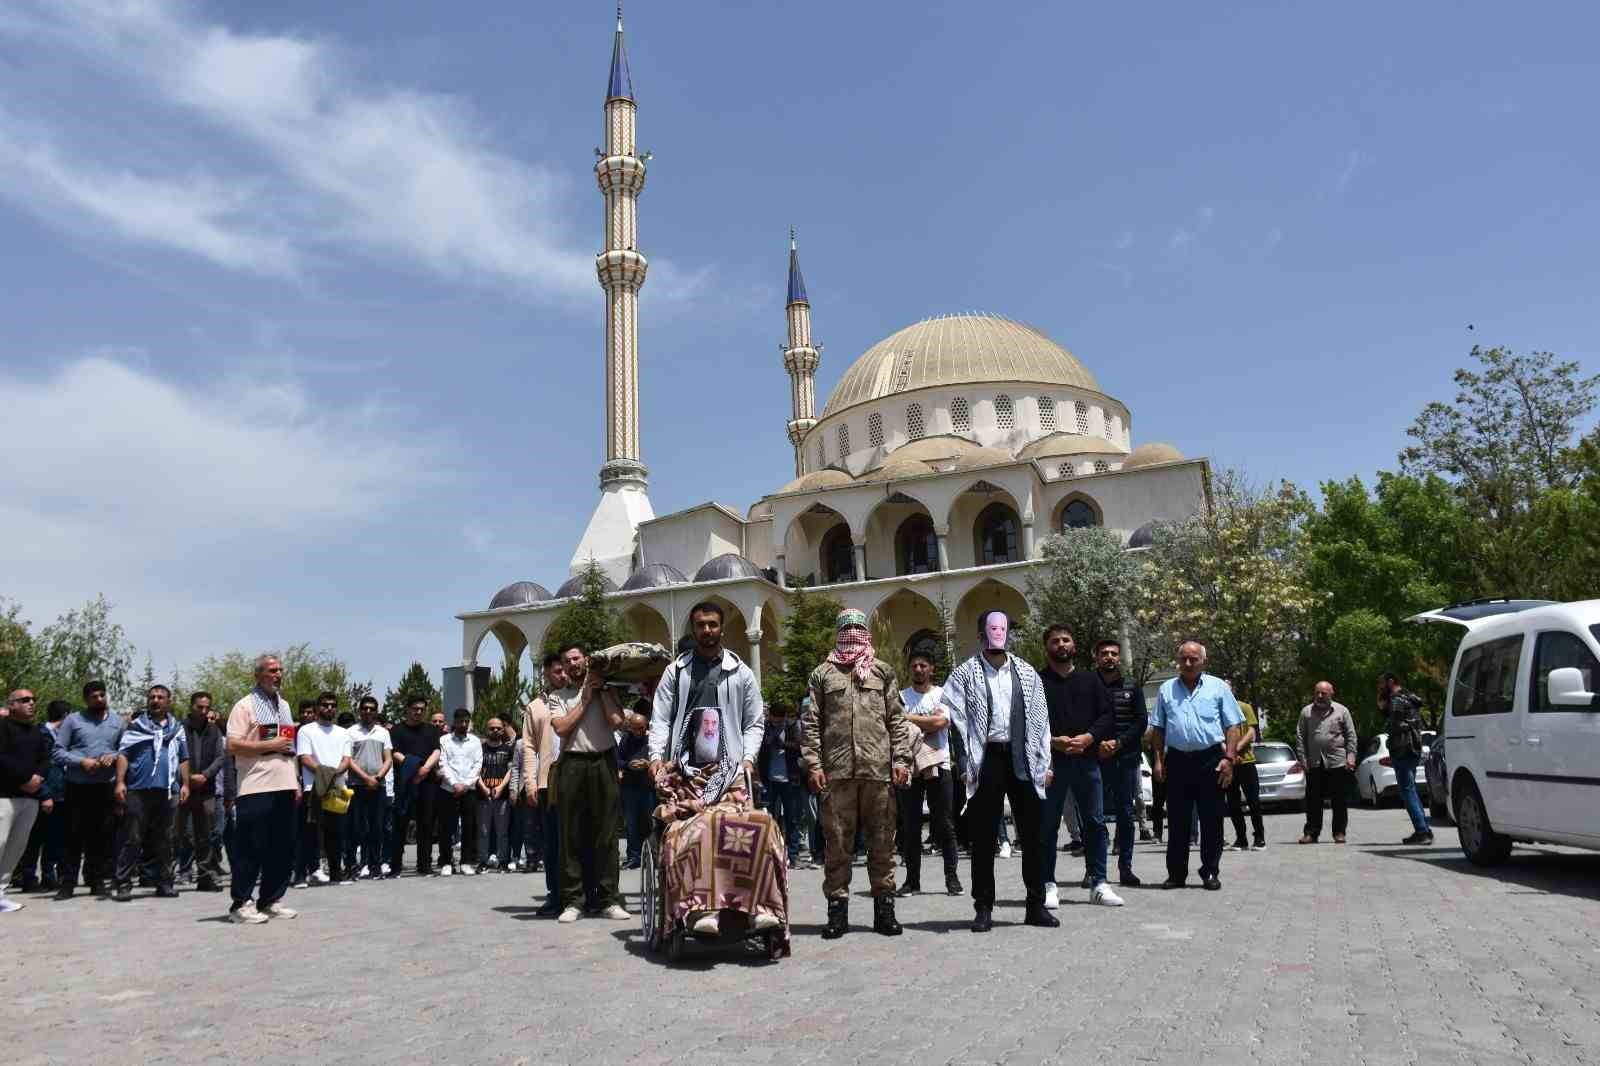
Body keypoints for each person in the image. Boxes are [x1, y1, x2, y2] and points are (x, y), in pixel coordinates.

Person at [800, 608, 912, 938]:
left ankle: (884, 910)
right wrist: (814, 764)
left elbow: (896, 720)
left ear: (865, 632)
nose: (851, 633)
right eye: (845, 627)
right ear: (838, 632)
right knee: (837, 847)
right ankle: (837, 912)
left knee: (882, 846)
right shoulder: (822, 674)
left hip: (878, 772)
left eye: (857, 627)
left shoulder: (882, 672)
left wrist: (901, 760)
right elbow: (810, 724)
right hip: (836, 774)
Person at [939, 611, 1053, 931]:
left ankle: (1036, 905)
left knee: (1032, 835)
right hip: (985, 759)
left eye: (1003, 629)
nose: (997, 635)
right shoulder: (964, 674)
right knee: (984, 836)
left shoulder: (1027, 673)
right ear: (981, 635)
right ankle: (983, 907)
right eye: (992, 629)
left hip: (1023, 758)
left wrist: (1046, 763)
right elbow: (956, 726)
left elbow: (1042, 721)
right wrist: (963, 765)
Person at [1149, 641, 1244, 891]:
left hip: (1210, 759)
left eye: (1194, 659)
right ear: (1177, 661)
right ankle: (1176, 874)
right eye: (1184, 659)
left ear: (1204, 661)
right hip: (1177, 760)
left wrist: (1229, 759)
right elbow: (1157, 728)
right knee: (1178, 820)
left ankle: (1210, 871)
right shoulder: (1166, 689)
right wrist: (1158, 760)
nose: (1188, 664)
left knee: (1212, 819)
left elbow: (1233, 726)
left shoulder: (1218, 688)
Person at [1037, 626, 1120, 909]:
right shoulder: (1036, 682)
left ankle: (1099, 883)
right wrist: (1052, 742)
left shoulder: (1090, 680)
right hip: (1051, 764)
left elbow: (1107, 716)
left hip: (1086, 762)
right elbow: (1026, 722)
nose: (1061, 645)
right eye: (1055, 641)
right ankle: (1047, 885)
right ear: (1046, 647)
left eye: (1066, 640)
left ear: (1074, 645)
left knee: (1095, 823)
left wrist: (1089, 737)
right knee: (1047, 826)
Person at [551, 643, 629, 922]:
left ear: (586, 660)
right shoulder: (558, 696)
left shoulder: (606, 690)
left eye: (577, 658)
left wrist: (602, 691)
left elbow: (617, 721)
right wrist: (584, 699)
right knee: (571, 834)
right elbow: (561, 728)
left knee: (607, 833)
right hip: (573, 763)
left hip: (604, 762)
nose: (572, 664)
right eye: (567, 660)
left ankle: (610, 899)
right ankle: (574, 901)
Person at [225, 653, 300, 923]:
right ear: (257, 675)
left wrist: (296, 781)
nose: (277, 674)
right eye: (271, 670)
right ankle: (241, 904)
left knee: (281, 846)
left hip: (285, 782)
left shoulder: (285, 706)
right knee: (250, 847)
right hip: (256, 785)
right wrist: (268, 745)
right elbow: (232, 745)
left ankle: (271, 899)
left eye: (280, 670)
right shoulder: (244, 706)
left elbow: (288, 746)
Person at [111, 685, 190, 901]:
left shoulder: (177, 728)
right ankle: (123, 883)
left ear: (168, 701)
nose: (155, 700)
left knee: (167, 838)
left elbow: (183, 757)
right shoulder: (135, 726)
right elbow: (123, 754)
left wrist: (185, 785)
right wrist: (119, 782)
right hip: (138, 789)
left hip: (168, 791)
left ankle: (164, 883)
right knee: (132, 838)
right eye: (152, 697)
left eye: (160, 697)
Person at [897, 650, 962, 898]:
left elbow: (940, 723)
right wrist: (924, 720)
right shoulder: (901, 696)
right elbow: (897, 726)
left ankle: (952, 878)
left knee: (944, 824)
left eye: (923, 665)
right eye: (914, 665)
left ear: (931, 669)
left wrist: (910, 718)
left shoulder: (942, 694)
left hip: (940, 765)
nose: (918, 669)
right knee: (911, 826)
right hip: (909, 767)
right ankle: (912, 881)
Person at [52, 681, 125, 899]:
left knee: (102, 836)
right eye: (94, 696)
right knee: (73, 836)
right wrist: (81, 761)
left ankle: (97, 881)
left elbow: (125, 750)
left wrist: (113, 756)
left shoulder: (118, 721)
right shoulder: (73, 720)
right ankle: (67, 883)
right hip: (78, 787)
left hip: (105, 787)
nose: (99, 699)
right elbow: (57, 751)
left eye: (102, 695)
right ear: (86, 699)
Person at [524, 654, 579, 915]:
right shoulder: (535, 707)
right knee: (553, 843)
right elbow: (528, 746)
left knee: (579, 841)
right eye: (557, 671)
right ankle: (555, 895)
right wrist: (530, 783)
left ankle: (583, 895)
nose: (563, 675)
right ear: (546, 674)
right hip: (549, 782)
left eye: (565, 670)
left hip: (579, 777)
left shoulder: (577, 698)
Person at [1094, 638, 1149, 885]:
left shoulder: (1132, 686)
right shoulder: (1088, 684)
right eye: (1104, 653)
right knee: (1093, 815)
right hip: (1094, 758)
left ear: (1119, 657)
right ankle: (1093, 869)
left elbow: (1141, 721)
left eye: (1113, 653)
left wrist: (1118, 743)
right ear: (1096, 657)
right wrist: (1097, 744)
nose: (1109, 657)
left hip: (1125, 759)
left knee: (1126, 814)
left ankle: (1125, 868)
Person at [0, 688, 51, 913]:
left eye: (33, 699)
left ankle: (1, 892)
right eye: (25, 700)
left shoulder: (36, 732)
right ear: (12, 705)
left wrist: (37, 778)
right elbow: (2, 758)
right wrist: (24, 778)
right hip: (4, 796)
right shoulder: (2, 727)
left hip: (30, 798)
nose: (31, 703)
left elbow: (45, 758)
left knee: (16, 846)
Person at [10, 697, 67, 894]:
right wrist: (44, 794)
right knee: (33, 839)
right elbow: (36, 767)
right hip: (40, 793)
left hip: (59, 794)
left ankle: (49, 877)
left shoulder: (60, 736)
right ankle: (27, 877)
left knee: (54, 838)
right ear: (66, 717)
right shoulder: (40, 734)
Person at [297, 693, 354, 885]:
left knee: (336, 834)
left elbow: (347, 759)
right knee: (310, 834)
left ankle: (336, 874)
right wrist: (325, 774)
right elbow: (305, 758)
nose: (329, 708)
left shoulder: (343, 733)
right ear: (317, 707)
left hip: (337, 789)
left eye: (332, 705)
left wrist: (334, 774)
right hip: (313, 788)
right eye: (325, 705)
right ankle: (305, 873)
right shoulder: (306, 731)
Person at [1295, 681, 1357, 845]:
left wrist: (1351, 756)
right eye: (1317, 693)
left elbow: (1351, 735)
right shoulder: (1306, 712)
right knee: (1313, 800)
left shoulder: (1342, 711)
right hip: (1314, 762)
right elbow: (1300, 737)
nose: (1320, 696)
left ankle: (1339, 832)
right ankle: (1311, 833)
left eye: (1323, 693)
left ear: (1331, 693)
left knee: (1339, 800)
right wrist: (1303, 758)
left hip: (1337, 761)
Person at [176, 691, 226, 891]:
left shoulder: (214, 731)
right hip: (182, 788)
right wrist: (186, 780)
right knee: (179, 833)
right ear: (191, 706)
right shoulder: (179, 728)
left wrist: (205, 775)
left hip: (206, 789)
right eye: (199, 707)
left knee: (206, 834)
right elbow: (175, 756)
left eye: (207, 707)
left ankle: (204, 877)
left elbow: (220, 757)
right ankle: (173, 873)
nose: (204, 711)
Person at [389, 698, 442, 878]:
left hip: (427, 782)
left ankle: (424, 865)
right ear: (407, 709)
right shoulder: (397, 730)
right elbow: (394, 753)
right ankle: (395, 865)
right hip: (404, 781)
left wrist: (426, 768)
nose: (418, 712)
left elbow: (437, 751)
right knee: (400, 825)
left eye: (421, 709)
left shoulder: (432, 730)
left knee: (426, 824)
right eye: (415, 708)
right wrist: (415, 767)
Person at [1380, 673, 1433, 845]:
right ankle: (1424, 829)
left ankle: (1422, 831)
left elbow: (1394, 725)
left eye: (1381, 683)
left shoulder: (1396, 700)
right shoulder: (1410, 698)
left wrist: (1382, 710)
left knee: (1407, 790)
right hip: (1414, 747)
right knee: (1411, 789)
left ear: (1390, 682)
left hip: (1402, 748)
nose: (1379, 687)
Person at [347, 696, 393, 879]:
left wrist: (378, 777)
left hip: (378, 785)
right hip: (357, 785)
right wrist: (366, 778)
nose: (368, 712)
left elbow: (388, 758)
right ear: (359, 710)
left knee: (377, 828)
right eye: (364, 708)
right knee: (356, 828)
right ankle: (353, 866)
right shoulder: (350, 732)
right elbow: (348, 760)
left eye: (371, 709)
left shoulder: (383, 733)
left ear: (376, 711)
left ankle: (374, 865)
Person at [758, 702, 806, 868]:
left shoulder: (792, 727)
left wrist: (782, 744)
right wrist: (767, 742)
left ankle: (793, 856)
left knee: (792, 819)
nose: (777, 724)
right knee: (771, 819)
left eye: (780, 721)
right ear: (770, 716)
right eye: (774, 720)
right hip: (770, 780)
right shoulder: (765, 727)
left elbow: (801, 746)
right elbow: (758, 750)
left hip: (789, 780)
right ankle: (772, 855)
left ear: (784, 718)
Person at [436, 708, 482, 876]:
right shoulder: (444, 740)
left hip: (468, 790)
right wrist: (455, 784)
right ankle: (447, 862)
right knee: (446, 828)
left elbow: (477, 765)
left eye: (466, 721)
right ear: (454, 722)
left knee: (469, 827)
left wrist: (464, 784)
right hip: (448, 789)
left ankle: (466, 862)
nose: (463, 724)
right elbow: (443, 764)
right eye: (460, 721)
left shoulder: (475, 741)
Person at [1223, 681, 1266, 851]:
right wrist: (1229, 754)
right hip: (1228, 763)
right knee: (1233, 804)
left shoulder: (1245, 707)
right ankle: (1241, 838)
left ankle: (1260, 838)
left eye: (1228, 688)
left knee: (1253, 801)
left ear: (1233, 690)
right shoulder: (1216, 710)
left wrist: (1236, 749)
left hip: (1246, 761)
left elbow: (1251, 732)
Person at [616, 690, 654, 871]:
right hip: (630, 787)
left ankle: (652, 856)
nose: (638, 732)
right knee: (631, 824)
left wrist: (648, 764)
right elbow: (617, 760)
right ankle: (634, 857)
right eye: (634, 728)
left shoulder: (652, 740)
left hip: (648, 787)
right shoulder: (626, 740)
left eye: (641, 728)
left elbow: (662, 759)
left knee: (650, 822)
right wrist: (629, 765)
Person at [478, 716, 515, 871]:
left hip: (503, 796)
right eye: (491, 728)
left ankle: (502, 860)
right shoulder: (480, 749)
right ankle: (483, 861)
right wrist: (483, 788)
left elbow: (511, 770)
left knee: (502, 831)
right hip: (483, 796)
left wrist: (500, 787)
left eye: (498, 728)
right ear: (487, 729)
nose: (495, 730)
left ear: (502, 729)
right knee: (484, 831)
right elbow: (475, 771)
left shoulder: (508, 749)